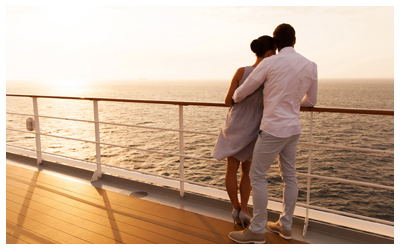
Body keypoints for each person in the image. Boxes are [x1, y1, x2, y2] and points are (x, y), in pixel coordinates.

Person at [228, 23, 318, 244]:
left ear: (276, 44)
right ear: (295, 41)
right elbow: (311, 101)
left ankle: (257, 229)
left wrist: (236, 99)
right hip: (293, 129)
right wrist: (292, 104)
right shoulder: (310, 65)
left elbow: (242, 92)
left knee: (257, 177)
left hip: (272, 130)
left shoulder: (270, 62)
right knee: (290, 177)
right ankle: (285, 226)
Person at [211, 35, 276, 228]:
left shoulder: (241, 71)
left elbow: (228, 101)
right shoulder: (270, 76)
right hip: (255, 127)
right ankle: (245, 210)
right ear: (270, 52)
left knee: (231, 170)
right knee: (247, 172)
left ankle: (235, 208)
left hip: (235, 124)